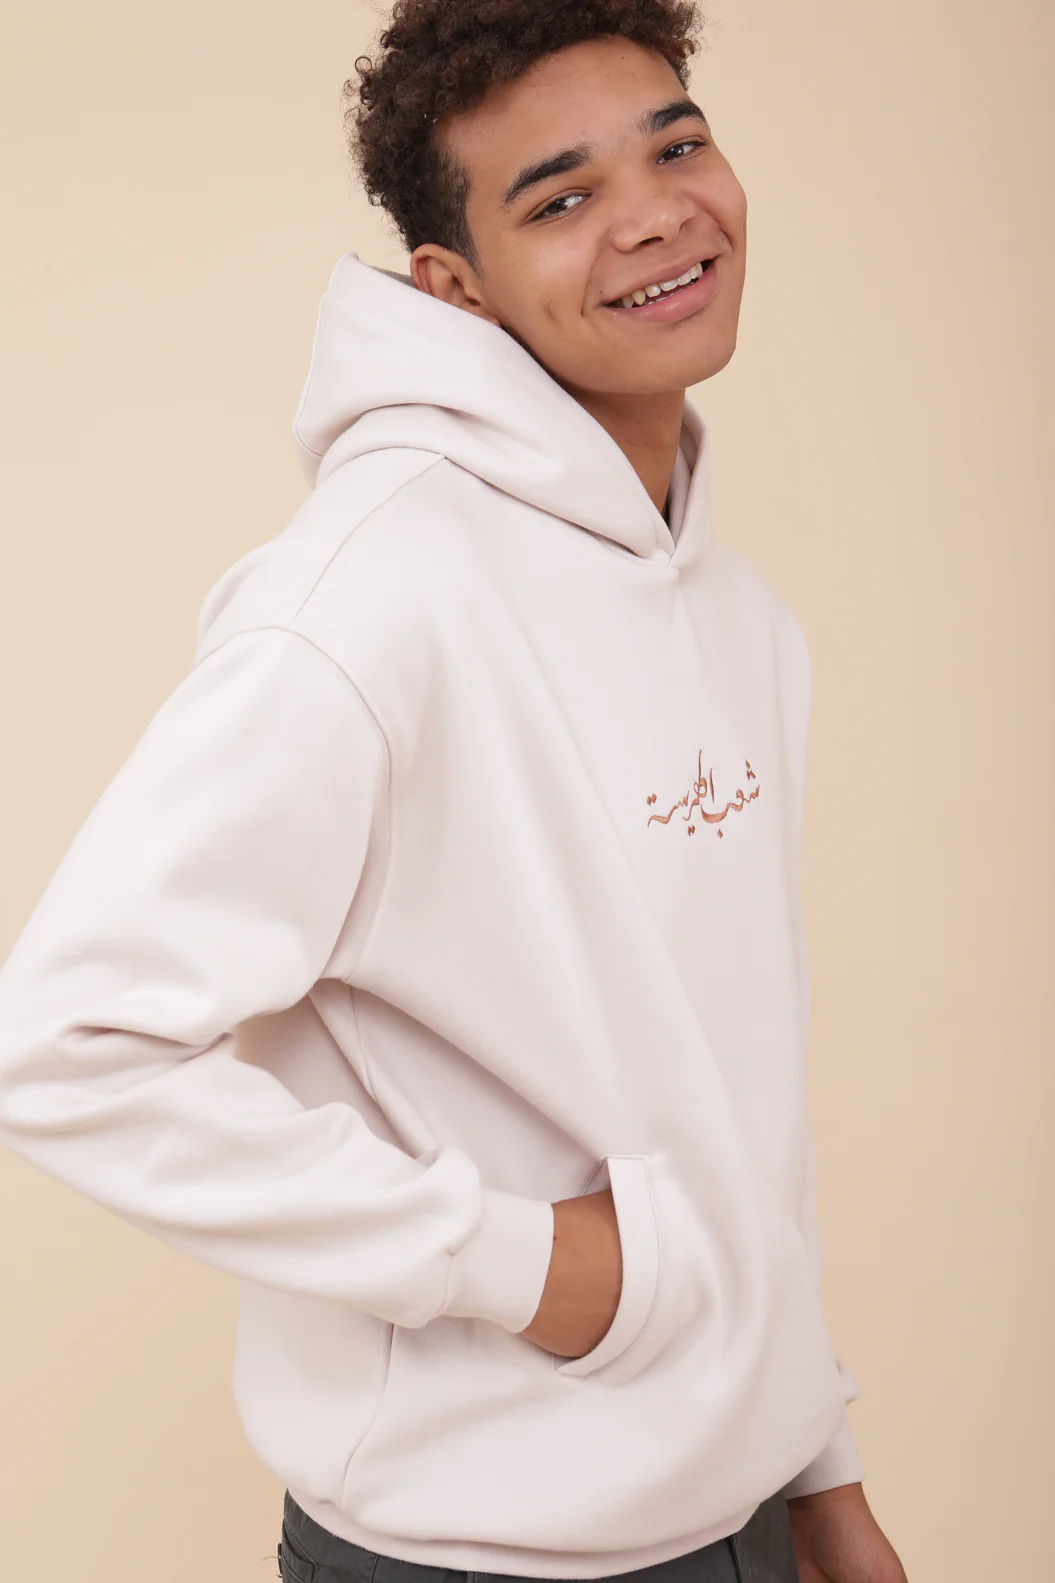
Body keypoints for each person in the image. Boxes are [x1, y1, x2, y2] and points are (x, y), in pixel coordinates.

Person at [0, 2, 910, 1581]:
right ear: (454, 286)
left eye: (677, 146)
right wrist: (529, 1268)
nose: (654, 214)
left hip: (740, 1516)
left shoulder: (738, 614)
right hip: (474, 1547)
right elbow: (65, 1047)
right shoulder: (365, 600)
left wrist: (812, 1457)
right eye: (560, 197)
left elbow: (721, 1090)